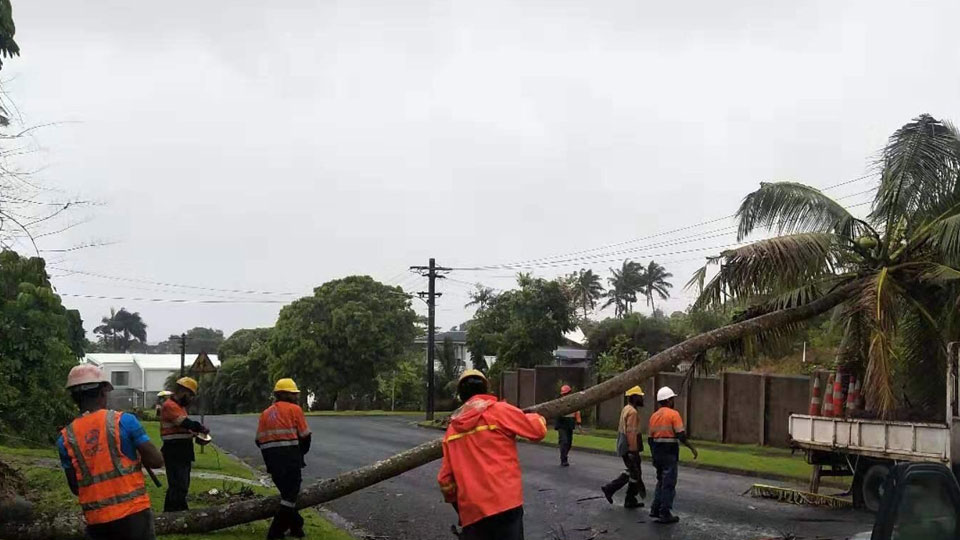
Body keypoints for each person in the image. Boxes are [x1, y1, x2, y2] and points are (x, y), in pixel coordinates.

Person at [57, 364, 164, 540]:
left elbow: (76, 488)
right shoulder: (124, 421)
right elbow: (156, 461)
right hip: (134, 516)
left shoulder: (65, 439)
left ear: (74, 398)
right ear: (103, 392)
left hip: (97, 521)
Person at [437, 369, 547, 540]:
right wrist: (536, 417)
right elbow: (537, 431)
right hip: (506, 502)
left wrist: (460, 506)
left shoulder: (451, 431)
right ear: (485, 389)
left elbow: (445, 481)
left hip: (473, 512)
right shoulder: (500, 411)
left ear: (461, 395)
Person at [256, 378, 312, 539]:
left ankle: (296, 527)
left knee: (287, 494)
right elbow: (305, 436)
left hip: (271, 461)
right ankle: (275, 533)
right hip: (290, 459)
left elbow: (258, 440)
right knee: (290, 497)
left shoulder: (265, 413)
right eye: (293, 394)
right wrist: (301, 454)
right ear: (286, 395)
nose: (296, 396)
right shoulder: (295, 410)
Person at [648, 386, 698, 524]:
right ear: (669, 400)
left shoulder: (653, 416)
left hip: (657, 452)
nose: (674, 401)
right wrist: (692, 448)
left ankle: (655, 509)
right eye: (673, 399)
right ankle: (665, 513)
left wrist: (654, 455)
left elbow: (650, 439)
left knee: (661, 481)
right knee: (669, 483)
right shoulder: (673, 414)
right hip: (669, 453)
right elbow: (680, 435)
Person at [160, 376, 209, 512]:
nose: (191, 399)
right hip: (174, 449)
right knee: (178, 484)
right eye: (190, 395)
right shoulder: (170, 406)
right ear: (183, 391)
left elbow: (182, 428)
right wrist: (200, 427)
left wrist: (194, 435)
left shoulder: (180, 408)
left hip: (182, 449)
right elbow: (184, 423)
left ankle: (176, 511)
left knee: (182, 483)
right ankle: (175, 512)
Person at [601, 385, 647, 508]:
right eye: (640, 397)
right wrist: (633, 451)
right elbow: (631, 433)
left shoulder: (626, 408)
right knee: (635, 472)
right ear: (635, 397)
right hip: (629, 446)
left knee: (633, 473)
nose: (642, 399)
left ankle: (628, 498)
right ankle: (611, 489)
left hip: (623, 444)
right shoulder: (632, 412)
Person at [555, 384, 582, 467]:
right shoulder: (559, 402)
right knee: (564, 441)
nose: (565, 395)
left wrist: (579, 423)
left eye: (566, 394)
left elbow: (577, 412)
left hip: (570, 422)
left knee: (569, 443)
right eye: (564, 394)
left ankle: (565, 455)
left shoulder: (574, 402)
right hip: (561, 423)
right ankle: (563, 459)